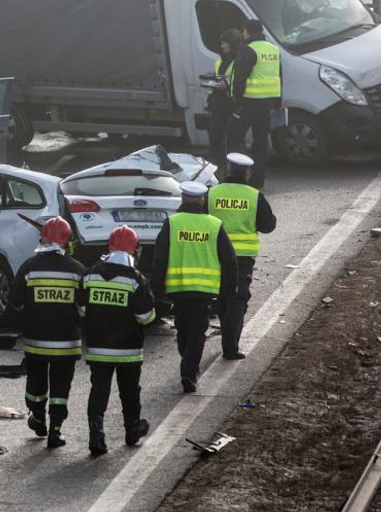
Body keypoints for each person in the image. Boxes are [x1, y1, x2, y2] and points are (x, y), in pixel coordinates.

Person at [150, 181, 237, 393]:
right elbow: (229, 260)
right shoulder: (214, 224)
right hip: (204, 291)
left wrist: (156, 289)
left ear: (182, 199)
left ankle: (188, 366)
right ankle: (188, 372)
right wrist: (228, 291)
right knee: (198, 331)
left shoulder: (172, 222)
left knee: (184, 329)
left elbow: (159, 258)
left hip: (178, 289)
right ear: (203, 200)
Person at [8, 216, 86, 449]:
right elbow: (84, 309)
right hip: (66, 344)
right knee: (61, 387)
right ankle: (56, 431)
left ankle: (38, 418)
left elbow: (15, 302)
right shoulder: (78, 270)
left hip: (36, 343)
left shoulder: (29, 266)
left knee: (36, 384)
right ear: (67, 242)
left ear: (42, 240)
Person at [79, 226, 155, 456]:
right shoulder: (136, 280)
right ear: (135, 250)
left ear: (109, 247)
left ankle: (96, 432)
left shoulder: (90, 275)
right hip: (128, 350)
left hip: (98, 348)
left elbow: (82, 310)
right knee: (129, 391)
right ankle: (132, 429)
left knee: (99, 389)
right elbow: (146, 317)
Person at [207, 153, 277, 360]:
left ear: (228, 169)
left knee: (221, 298)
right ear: (247, 173)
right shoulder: (254, 196)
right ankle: (230, 347)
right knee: (238, 300)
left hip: (215, 255)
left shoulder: (212, 193)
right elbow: (268, 225)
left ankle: (227, 337)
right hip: (242, 259)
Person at [227, 19, 281, 189]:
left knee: (234, 135)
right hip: (268, 102)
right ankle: (258, 180)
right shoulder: (273, 49)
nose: (242, 35)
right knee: (261, 141)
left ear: (248, 31)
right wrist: (277, 101)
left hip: (249, 101)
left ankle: (237, 178)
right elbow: (279, 76)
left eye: (243, 32)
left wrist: (236, 98)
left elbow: (240, 77)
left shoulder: (248, 49)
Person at [207, 29, 243, 169]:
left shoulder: (239, 59)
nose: (222, 46)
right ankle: (218, 166)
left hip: (231, 103)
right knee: (215, 136)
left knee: (233, 139)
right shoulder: (220, 59)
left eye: (224, 43)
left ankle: (234, 167)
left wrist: (227, 84)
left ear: (232, 43)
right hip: (217, 103)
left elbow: (241, 80)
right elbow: (219, 76)